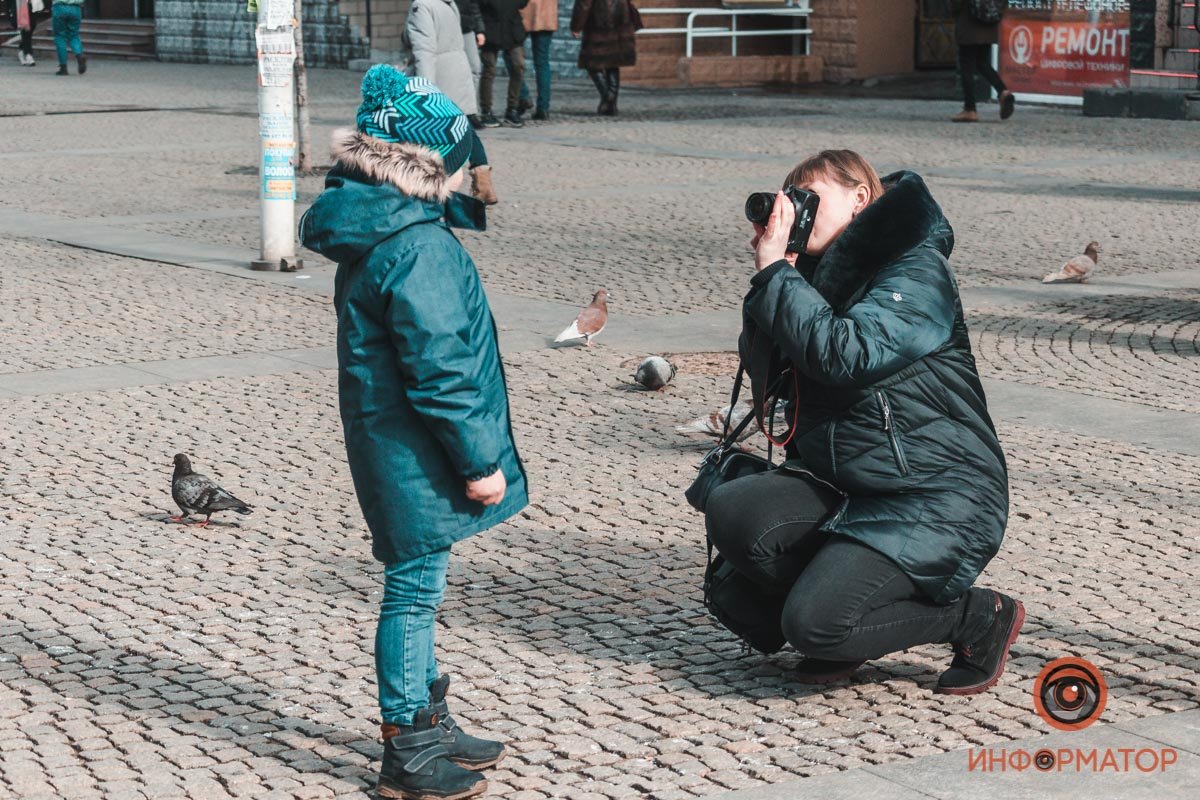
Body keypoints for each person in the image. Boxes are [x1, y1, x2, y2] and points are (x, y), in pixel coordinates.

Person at [706, 150, 1022, 695]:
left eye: (810, 199)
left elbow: (846, 355)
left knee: (814, 624)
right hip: (848, 482)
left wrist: (780, 277)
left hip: (936, 494)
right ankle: (849, 618)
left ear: (859, 197)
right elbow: (770, 380)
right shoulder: (814, 275)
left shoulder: (915, 268)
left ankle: (974, 615)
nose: (797, 211)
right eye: (792, 200)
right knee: (734, 512)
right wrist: (774, 277)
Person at [299, 64, 529, 800]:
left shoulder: (385, 226)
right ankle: (408, 742)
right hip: (416, 451)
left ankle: (431, 718)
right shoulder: (417, 247)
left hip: (395, 438)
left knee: (421, 585)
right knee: (413, 593)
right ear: (430, 168)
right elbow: (442, 371)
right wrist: (479, 462)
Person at [406, 0, 499, 204]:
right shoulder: (448, 4)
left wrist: (425, 89)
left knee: (426, 132)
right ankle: (483, 183)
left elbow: (424, 50)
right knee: (465, 128)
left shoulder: (421, 7)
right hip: (457, 71)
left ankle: (427, 184)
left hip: (440, 76)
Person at [570, 0, 637, 116]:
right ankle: (610, 106)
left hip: (598, 23)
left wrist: (576, 26)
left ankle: (608, 95)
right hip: (620, 19)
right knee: (612, 62)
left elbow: (583, 5)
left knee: (591, 63)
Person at [952, 0, 1014, 122]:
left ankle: (970, 109)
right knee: (982, 62)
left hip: (969, 23)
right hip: (988, 23)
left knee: (966, 65)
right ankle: (1003, 92)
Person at [478, 0, 528, 128]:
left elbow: (522, 3)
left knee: (519, 66)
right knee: (489, 69)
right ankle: (486, 111)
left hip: (512, 28)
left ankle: (512, 109)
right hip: (490, 27)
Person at [519, 0, 558, 120]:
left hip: (521, 12)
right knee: (542, 63)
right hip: (546, 15)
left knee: (511, 56)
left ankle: (523, 95)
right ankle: (543, 108)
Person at [454, 0, 486, 126]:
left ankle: (471, 111)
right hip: (445, 29)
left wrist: (480, 30)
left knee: (475, 68)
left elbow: (474, 5)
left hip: (466, 28)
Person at [51, 0, 86, 76]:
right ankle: (79, 55)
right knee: (74, 35)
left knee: (60, 36)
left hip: (59, 8)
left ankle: (63, 68)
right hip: (76, 8)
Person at [12, 1, 49, 67]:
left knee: (31, 28)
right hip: (22, 5)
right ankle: (28, 54)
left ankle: (21, 50)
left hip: (33, 5)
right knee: (25, 30)